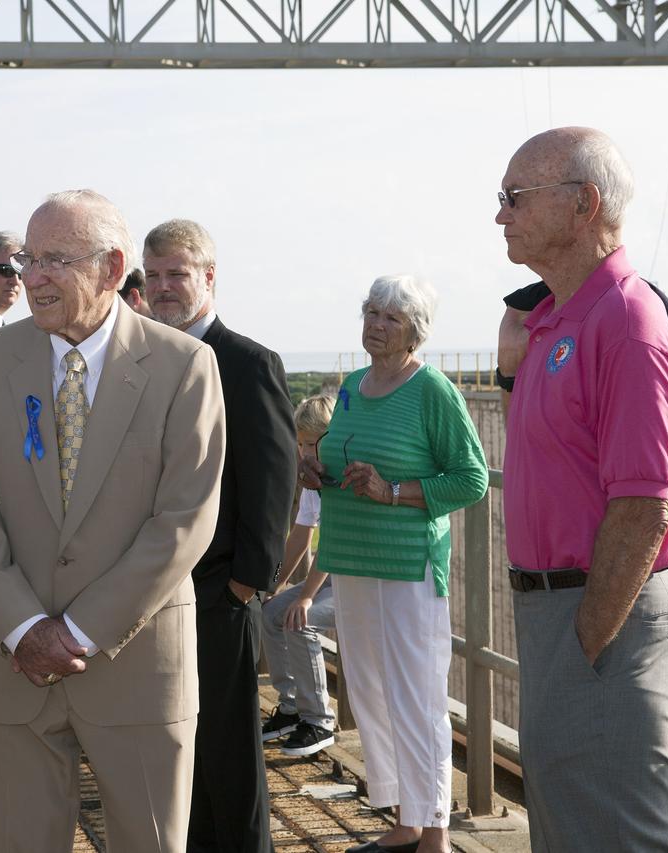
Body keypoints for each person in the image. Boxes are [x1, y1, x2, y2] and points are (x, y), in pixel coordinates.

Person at [0, 190, 226, 853]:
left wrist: (76, 629)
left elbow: (184, 520)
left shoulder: (185, 366)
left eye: (56, 260)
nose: (32, 276)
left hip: (136, 663)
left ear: (111, 267)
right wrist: (23, 626)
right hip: (13, 663)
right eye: (28, 258)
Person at [493, 127, 668, 852]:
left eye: (515, 197)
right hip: (561, 615)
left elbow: (644, 504)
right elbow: (552, 455)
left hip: (601, 615)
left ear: (583, 205)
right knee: (571, 828)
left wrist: (587, 639)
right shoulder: (550, 319)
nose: (501, 215)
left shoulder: (627, 320)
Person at [302, 275, 487, 853]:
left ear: (415, 331)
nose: (376, 325)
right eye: (371, 312)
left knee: (416, 696)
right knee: (371, 691)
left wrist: (394, 491)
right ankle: (404, 819)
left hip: (407, 565)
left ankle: (432, 830)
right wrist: (317, 471)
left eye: (391, 318)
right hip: (350, 555)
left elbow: (472, 478)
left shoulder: (433, 389)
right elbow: (341, 450)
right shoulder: (354, 385)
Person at [142, 218, 297, 853]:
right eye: (151, 277)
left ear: (208, 278)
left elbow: (273, 479)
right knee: (176, 742)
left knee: (229, 749)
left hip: (218, 592)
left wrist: (245, 585)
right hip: (151, 588)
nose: (163, 289)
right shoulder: (145, 357)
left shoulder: (248, 362)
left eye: (176, 274)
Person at [260, 393, 337, 757]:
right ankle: (291, 707)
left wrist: (305, 596)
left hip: (352, 577)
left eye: (311, 444)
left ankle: (319, 719)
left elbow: (334, 544)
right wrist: (274, 583)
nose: (304, 452)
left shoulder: (338, 478)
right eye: (300, 444)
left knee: (299, 619)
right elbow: (302, 535)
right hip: (330, 573)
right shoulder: (310, 480)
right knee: (272, 612)